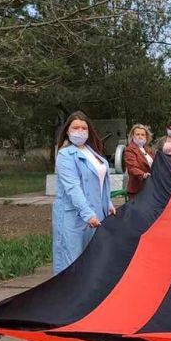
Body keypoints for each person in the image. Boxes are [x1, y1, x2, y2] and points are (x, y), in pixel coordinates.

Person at [52, 111, 116, 274]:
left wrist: (107, 203)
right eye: (75, 127)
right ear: (67, 130)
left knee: (94, 262)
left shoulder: (93, 153)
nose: (80, 131)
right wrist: (88, 214)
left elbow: (100, 182)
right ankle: (67, 298)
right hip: (75, 216)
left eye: (83, 128)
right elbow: (73, 187)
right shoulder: (65, 155)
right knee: (72, 262)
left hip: (97, 213)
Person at [124, 124, 155, 200]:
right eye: (137, 134)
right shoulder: (129, 149)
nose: (140, 136)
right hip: (137, 189)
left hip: (150, 188)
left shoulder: (149, 149)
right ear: (132, 136)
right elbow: (132, 168)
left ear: (146, 137)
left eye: (143, 134)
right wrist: (143, 175)